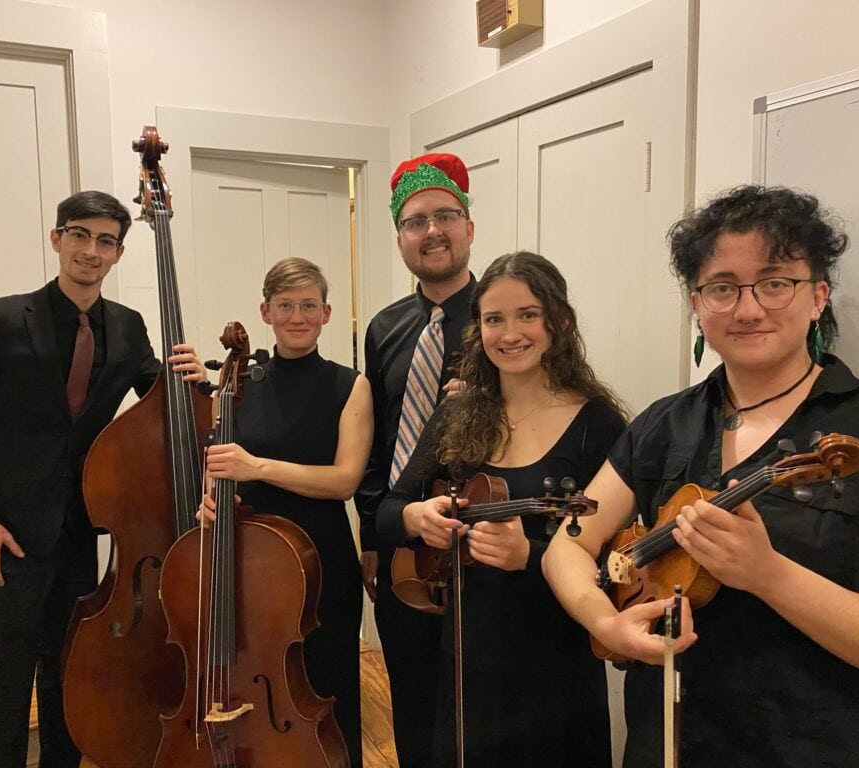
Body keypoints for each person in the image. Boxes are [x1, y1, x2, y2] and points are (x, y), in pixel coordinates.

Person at [542, 185, 859, 768]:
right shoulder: (665, 424)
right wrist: (605, 624)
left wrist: (769, 575)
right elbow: (569, 544)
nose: (747, 309)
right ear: (697, 305)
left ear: (818, 296)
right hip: (669, 742)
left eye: (775, 282)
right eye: (721, 288)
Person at [0, 190, 205, 767]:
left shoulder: (128, 327)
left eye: (106, 241)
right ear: (57, 239)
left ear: (120, 253)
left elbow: (164, 404)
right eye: (79, 234)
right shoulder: (0, 320)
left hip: (84, 529)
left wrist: (200, 380)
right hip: (10, 533)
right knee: (8, 679)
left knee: (68, 675)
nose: (90, 250)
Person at [377, 251, 626, 767]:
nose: (509, 333)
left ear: (557, 322)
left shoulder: (597, 425)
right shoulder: (458, 412)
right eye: (494, 319)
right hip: (467, 659)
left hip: (556, 663)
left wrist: (529, 557)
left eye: (527, 315)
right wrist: (415, 518)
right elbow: (388, 509)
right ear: (479, 329)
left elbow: (620, 569)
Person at [202, 257, 373, 767]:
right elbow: (219, 471)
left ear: (325, 313)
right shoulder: (236, 386)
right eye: (284, 306)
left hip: (322, 559)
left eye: (307, 306)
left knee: (328, 686)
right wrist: (211, 501)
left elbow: (344, 481)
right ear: (265, 312)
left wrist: (258, 466)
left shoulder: (350, 385)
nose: (296, 316)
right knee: (259, 684)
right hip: (250, 561)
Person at [355, 152, 478, 767]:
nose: (432, 231)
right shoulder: (385, 327)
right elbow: (375, 442)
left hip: (480, 544)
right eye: (415, 220)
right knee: (412, 701)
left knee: (479, 712)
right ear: (400, 238)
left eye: (445, 215)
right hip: (403, 547)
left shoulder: (505, 319)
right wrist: (373, 532)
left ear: (469, 228)